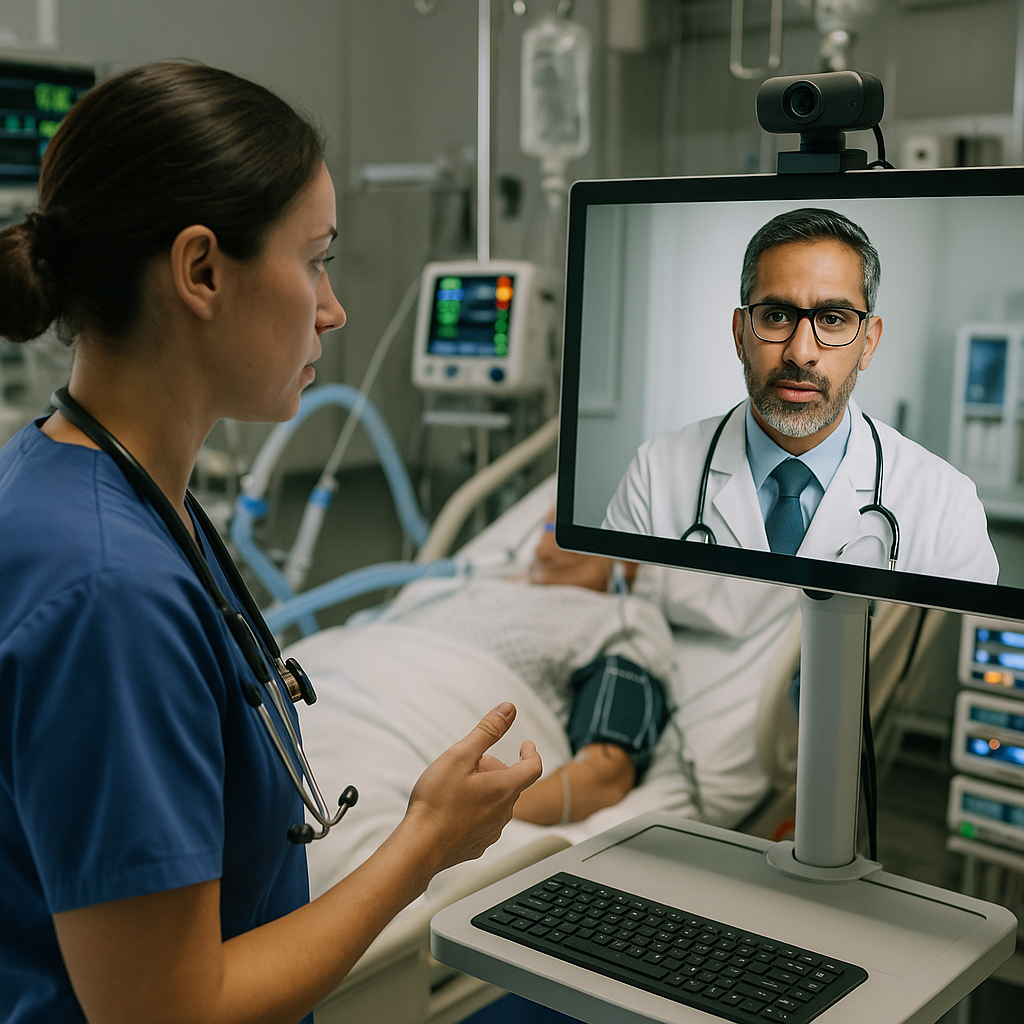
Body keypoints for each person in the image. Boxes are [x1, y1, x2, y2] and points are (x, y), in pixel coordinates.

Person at [0, 62, 542, 1024]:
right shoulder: (107, 590)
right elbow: (165, 1012)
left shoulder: (76, 479)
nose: (332, 309)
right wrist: (424, 843)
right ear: (201, 270)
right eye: (317, 259)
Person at [604, 206, 998, 584]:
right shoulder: (655, 475)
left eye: (832, 319)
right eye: (777, 315)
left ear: (868, 343)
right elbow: (608, 631)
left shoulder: (947, 506)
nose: (801, 352)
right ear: (740, 333)